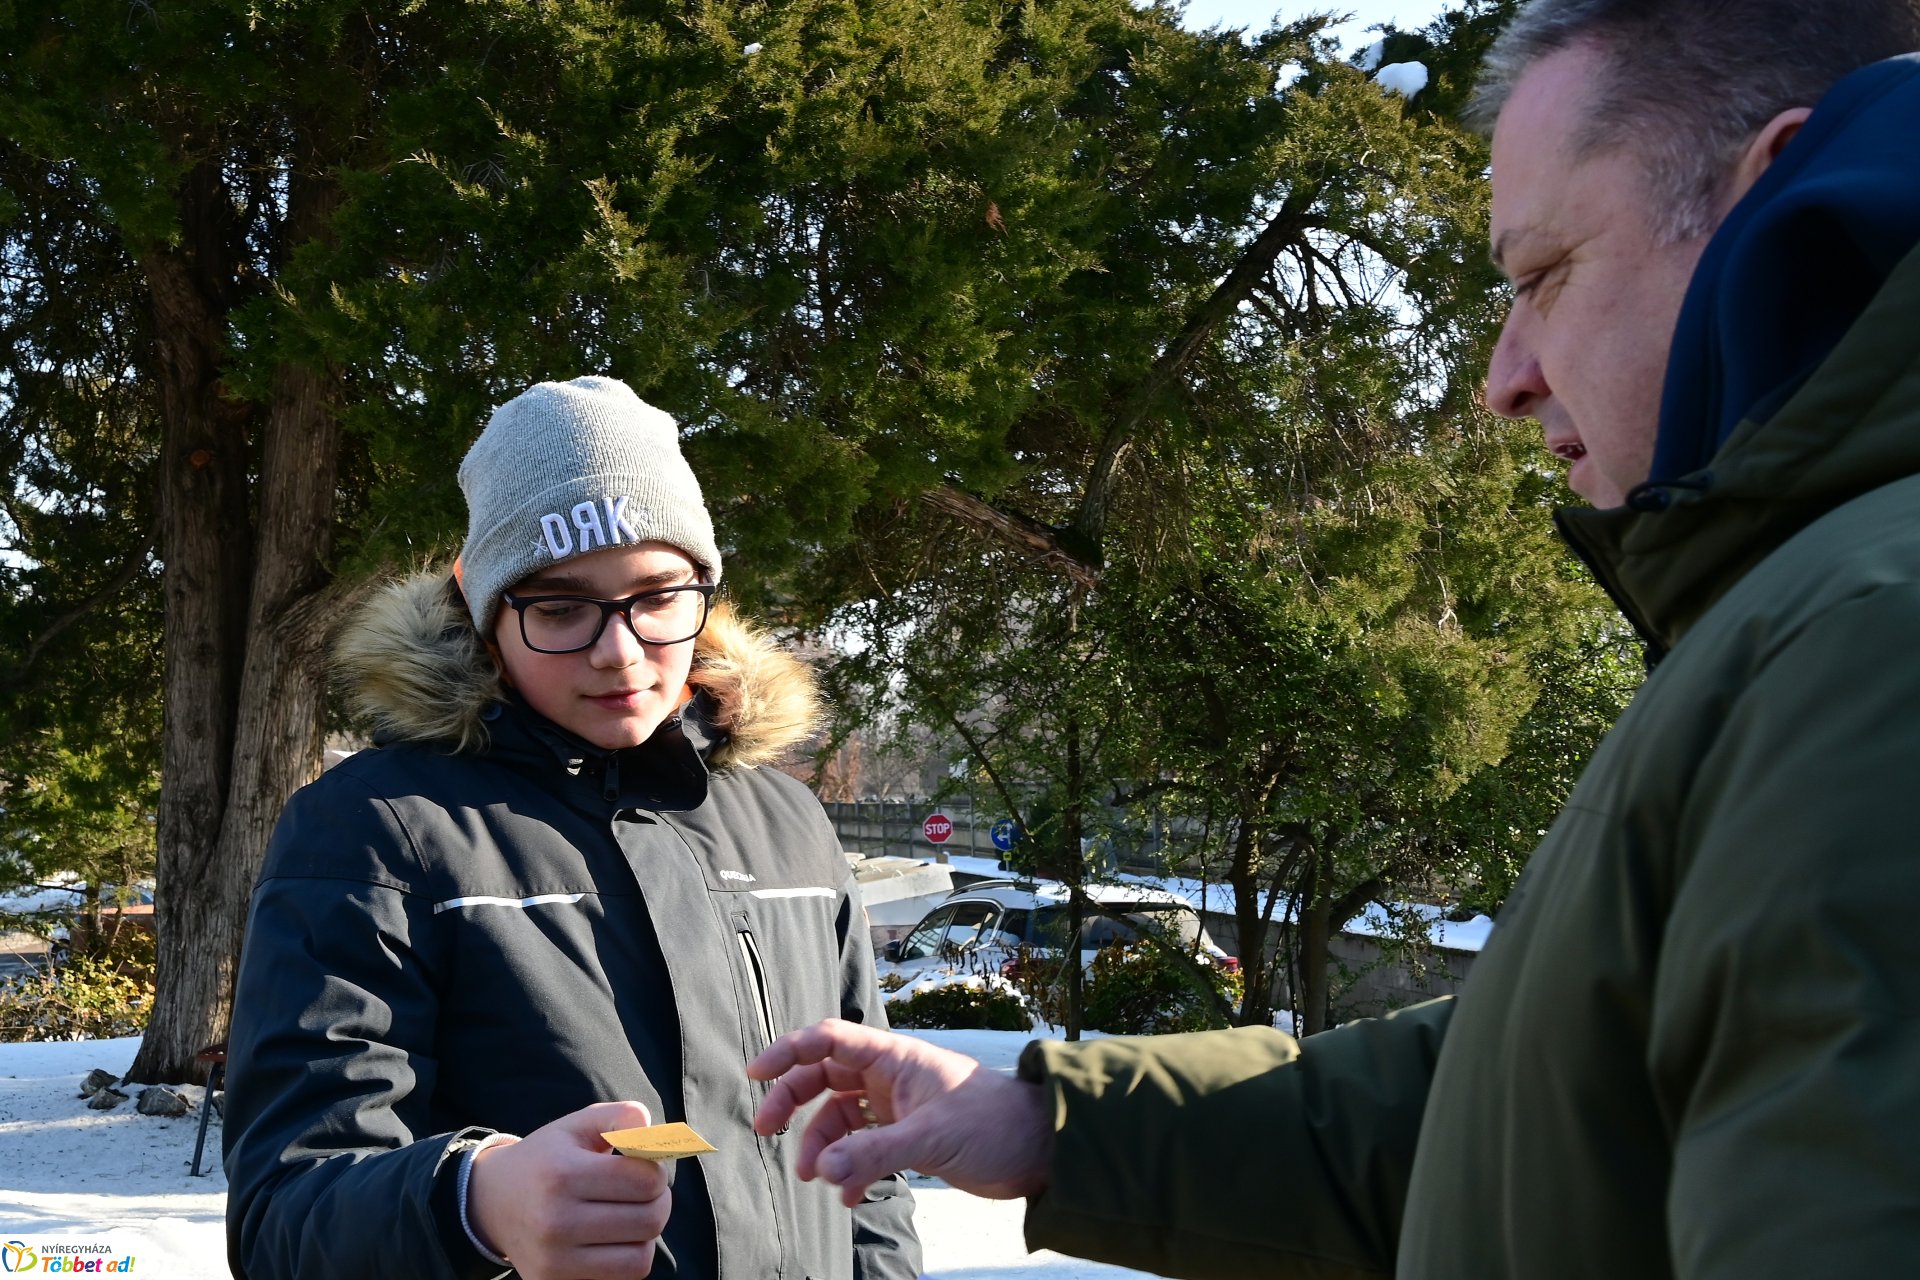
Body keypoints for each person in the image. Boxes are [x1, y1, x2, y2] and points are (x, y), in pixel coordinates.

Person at [746, 2, 1920, 1275]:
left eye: (1540, 277)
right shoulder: (1807, 609)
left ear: (1765, 193)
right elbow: (1527, 1102)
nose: (1503, 375)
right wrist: (1047, 1117)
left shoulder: (1869, 641)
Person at [223, 376, 921, 1280]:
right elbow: (285, 1218)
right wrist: (474, 1200)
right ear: (483, 609)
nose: (619, 652)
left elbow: (862, 1156)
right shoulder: (375, 832)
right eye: (559, 608)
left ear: (707, 587)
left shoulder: (785, 820)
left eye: (658, 597)